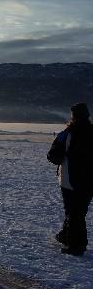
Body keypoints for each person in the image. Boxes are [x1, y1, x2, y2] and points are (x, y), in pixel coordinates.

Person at [47, 103, 93, 256]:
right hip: (89, 181)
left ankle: (76, 245)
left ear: (73, 116)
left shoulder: (68, 132)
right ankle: (66, 236)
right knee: (79, 211)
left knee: (73, 212)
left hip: (69, 179)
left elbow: (53, 155)